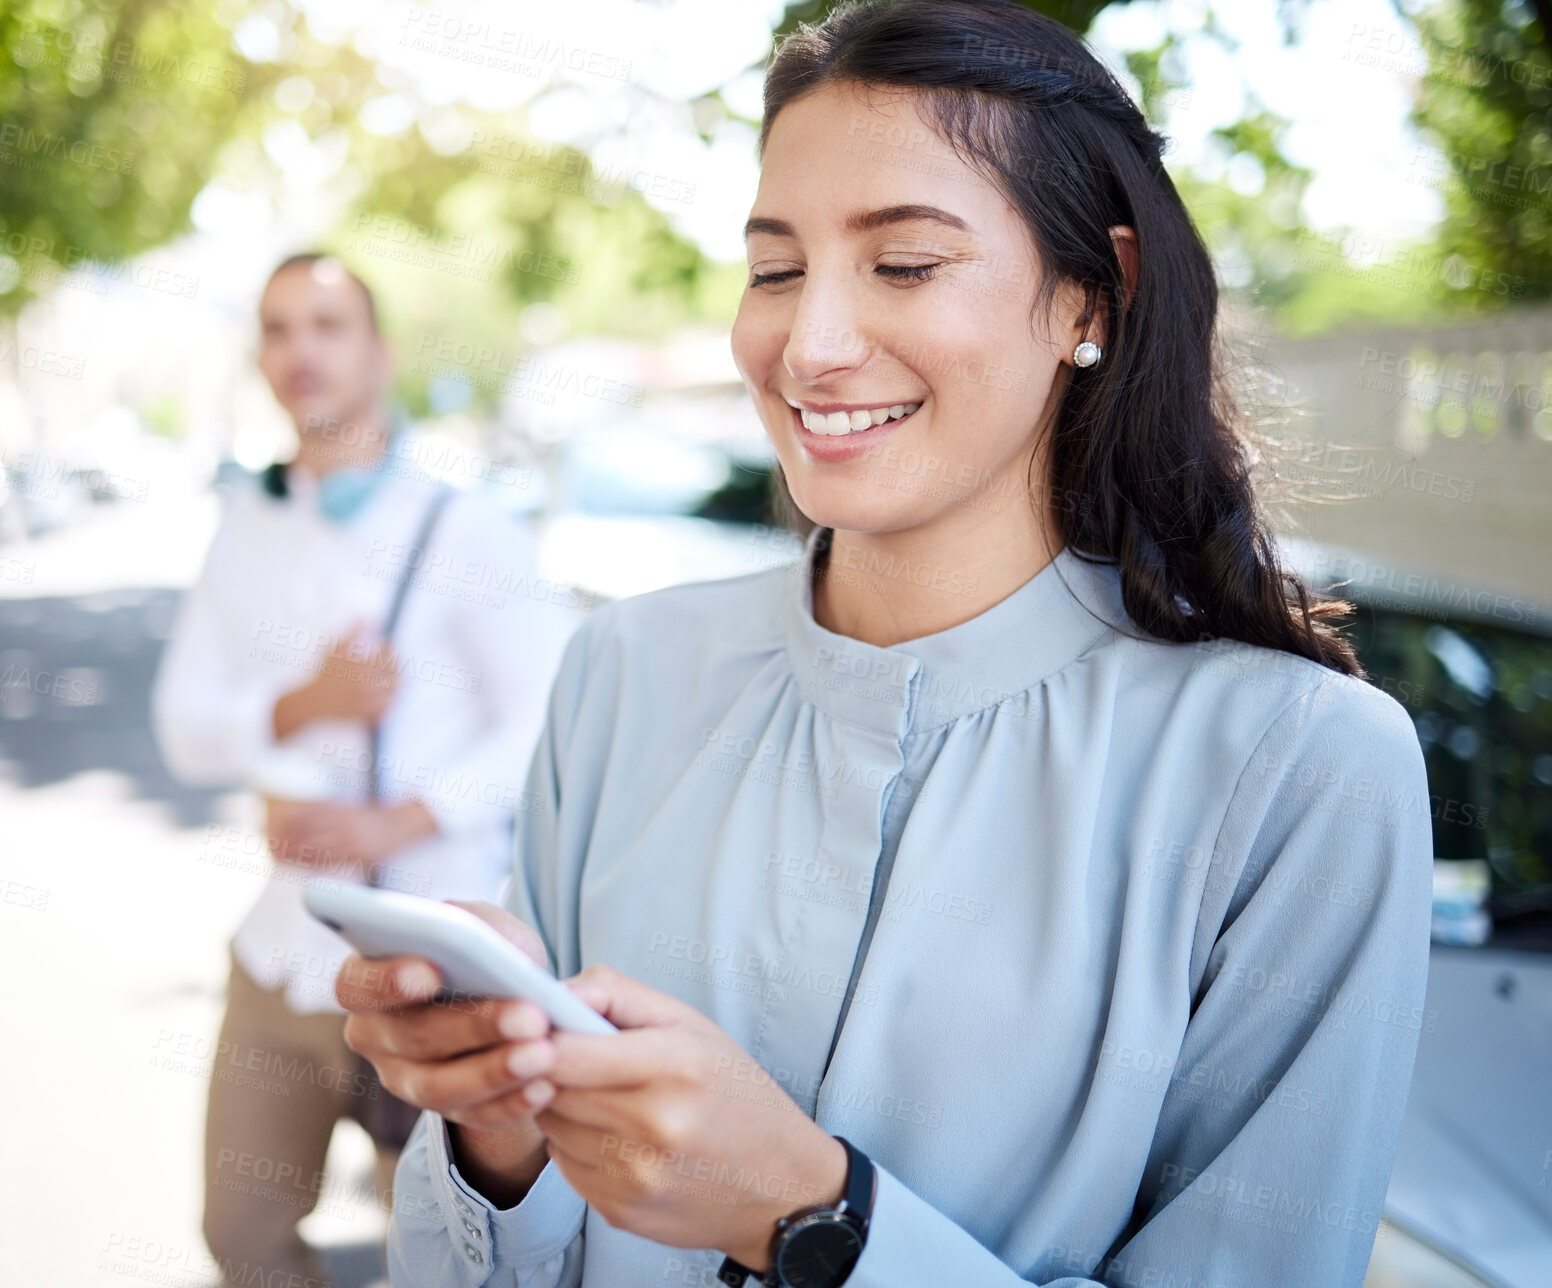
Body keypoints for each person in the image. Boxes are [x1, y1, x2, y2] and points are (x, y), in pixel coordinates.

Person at [334, 3, 1435, 1286]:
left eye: (904, 265)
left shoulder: (1302, 771)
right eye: (775, 268)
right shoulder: (625, 671)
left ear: (1095, 292)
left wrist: (817, 1214)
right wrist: (499, 1141)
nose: (810, 346)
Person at [151, 252, 581, 1288]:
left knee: (439, 1255)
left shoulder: (463, 525)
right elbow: (184, 726)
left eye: (327, 325)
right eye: (279, 327)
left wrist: (402, 819)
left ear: (378, 354)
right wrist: (302, 706)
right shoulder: (247, 528)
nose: (301, 349)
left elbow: (551, 711)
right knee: (242, 1235)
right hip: (281, 947)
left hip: (430, 952)